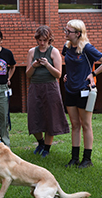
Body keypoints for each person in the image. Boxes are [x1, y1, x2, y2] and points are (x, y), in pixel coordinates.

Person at [62, 19, 102, 168]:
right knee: (75, 124)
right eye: (65, 30)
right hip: (70, 90)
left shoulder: (87, 48)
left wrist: (93, 74)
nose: (65, 33)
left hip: (84, 91)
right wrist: (68, 75)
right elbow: (70, 65)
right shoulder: (67, 47)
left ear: (78, 33)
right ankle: (74, 158)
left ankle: (87, 159)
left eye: (68, 31)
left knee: (86, 124)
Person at [26, 25, 70, 157]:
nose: (42, 43)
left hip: (51, 88)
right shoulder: (32, 52)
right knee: (34, 116)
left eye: (44, 40)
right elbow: (28, 74)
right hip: (35, 87)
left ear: (49, 39)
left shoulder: (54, 52)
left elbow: (58, 74)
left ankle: (47, 148)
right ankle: (40, 142)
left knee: (51, 117)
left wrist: (47, 64)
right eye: (39, 40)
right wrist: (34, 65)